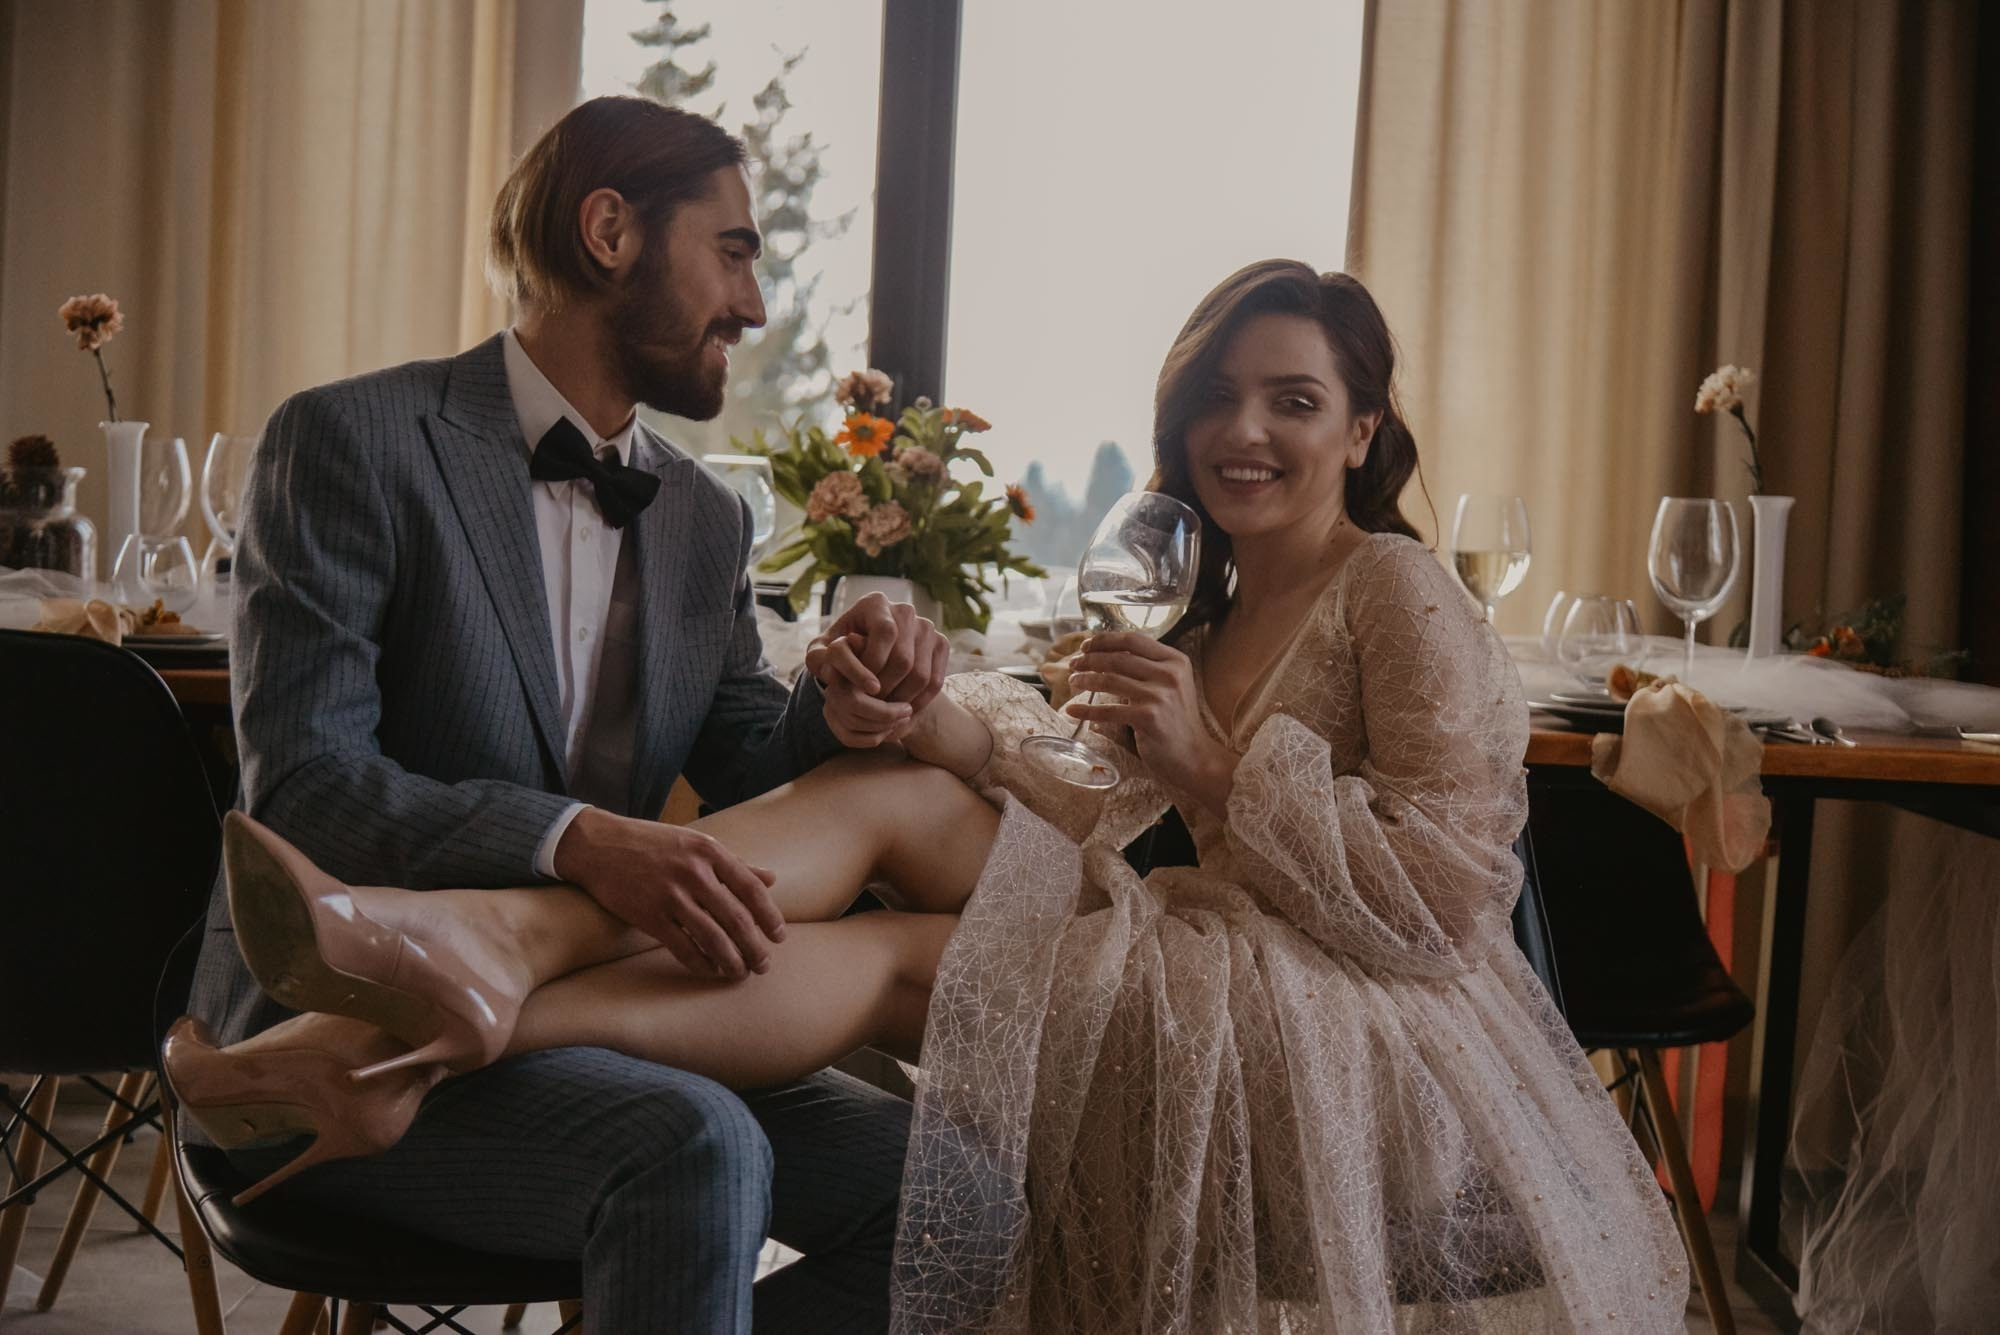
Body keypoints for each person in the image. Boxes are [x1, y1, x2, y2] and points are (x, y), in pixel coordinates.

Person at [176, 260, 1690, 1331]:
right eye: (1221, 400)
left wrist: (1218, 772)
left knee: (900, 958)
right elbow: (1111, 813)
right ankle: (488, 953)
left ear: (1362, 428)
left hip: (1352, 1019)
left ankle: (419, 1012)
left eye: (1295, 401)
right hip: (1213, 931)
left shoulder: (1401, 592)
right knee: (884, 789)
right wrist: (950, 733)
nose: (1247, 432)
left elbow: (1443, 899)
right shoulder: (1208, 610)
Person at [182, 95, 957, 1334]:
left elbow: (753, 780)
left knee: (961, 1206)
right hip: (346, 1041)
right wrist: (576, 838)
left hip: (605, 1014)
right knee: (696, 1150)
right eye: (735, 251)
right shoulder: (353, 442)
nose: (754, 307)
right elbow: (307, 791)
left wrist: (840, 709)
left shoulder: (706, 521)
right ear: (609, 231)